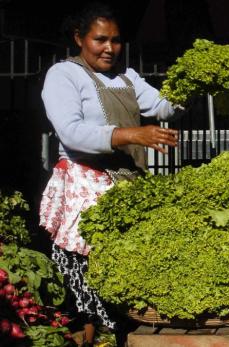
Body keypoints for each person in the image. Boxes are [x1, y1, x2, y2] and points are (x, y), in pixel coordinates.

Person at [38, 3, 183, 346]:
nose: (109, 48)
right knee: (84, 289)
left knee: (117, 286)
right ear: (79, 38)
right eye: (100, 39)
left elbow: (164, 105)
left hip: (124, 190)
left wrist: (190, 84)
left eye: (116, 41)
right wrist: (132, 134)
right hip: (85, 191)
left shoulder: (127, 77)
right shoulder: (64, 75)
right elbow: (71, 132)